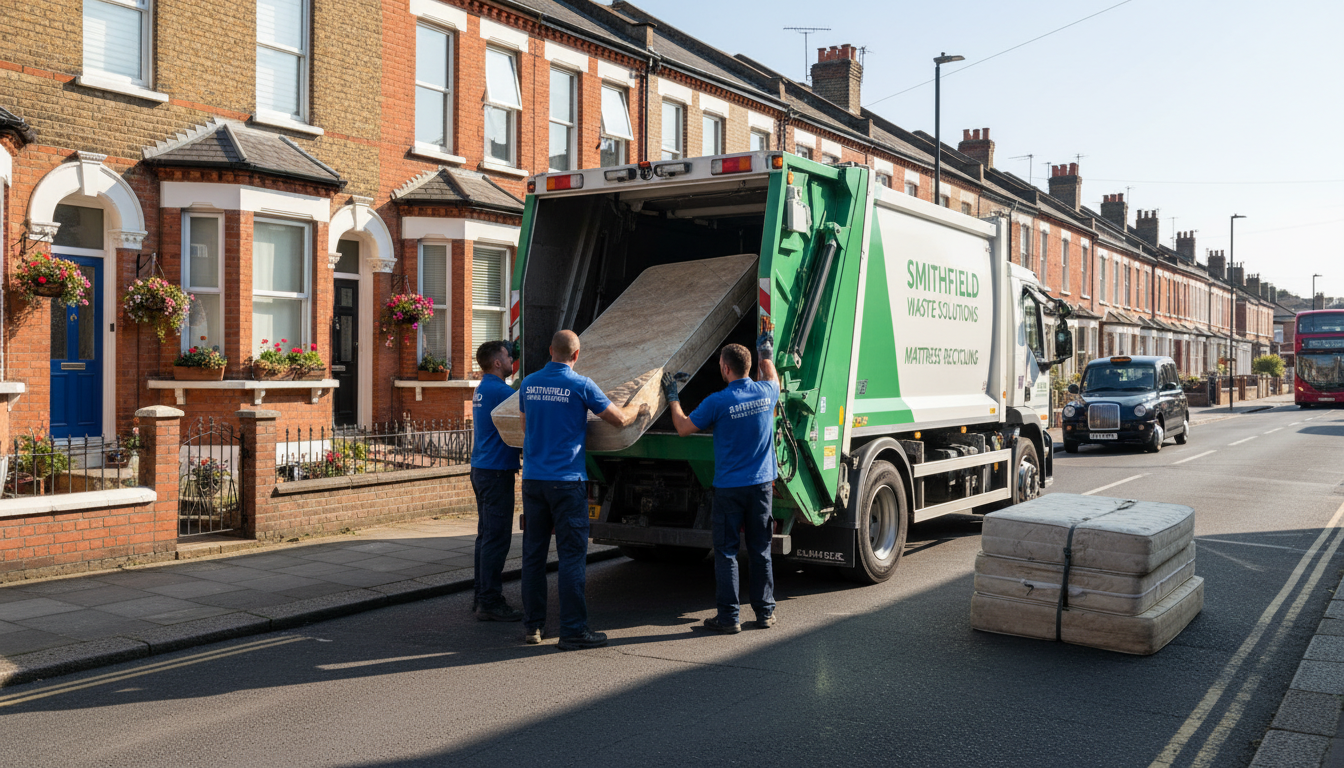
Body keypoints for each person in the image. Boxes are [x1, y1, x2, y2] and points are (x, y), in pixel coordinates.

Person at [519, 329, 647, 650]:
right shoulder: (581, 385)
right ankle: (573, 630)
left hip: (533, 481)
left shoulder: (529, 384)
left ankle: (533, 626)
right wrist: (639, 408)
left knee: (533, 556)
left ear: (550, 350)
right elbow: (619, 420)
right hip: (567, 482)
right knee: (571, 558)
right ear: (576, 355)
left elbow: (525, 427)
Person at [663, 334, 780, 633]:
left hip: (729, 489)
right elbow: (771, 375)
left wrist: (673, 396)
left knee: (727, 552)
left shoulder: (717, 401)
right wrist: (766, 352)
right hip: (761, 487)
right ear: (748, 366)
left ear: (726, 369)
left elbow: (683, 428)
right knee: (760, 549)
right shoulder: (768, 392)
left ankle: (729, 618)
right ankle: (765, 613)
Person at [470, 340, 523, 622]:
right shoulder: (502, 392)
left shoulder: (483, 388)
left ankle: (481, 596)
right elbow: (526, 408)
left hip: (482, 468)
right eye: (508, 355)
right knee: (496, 539)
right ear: (497, 363)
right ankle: (490, 601)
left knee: (485, 537)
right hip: (496, 472)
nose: (512, 358)